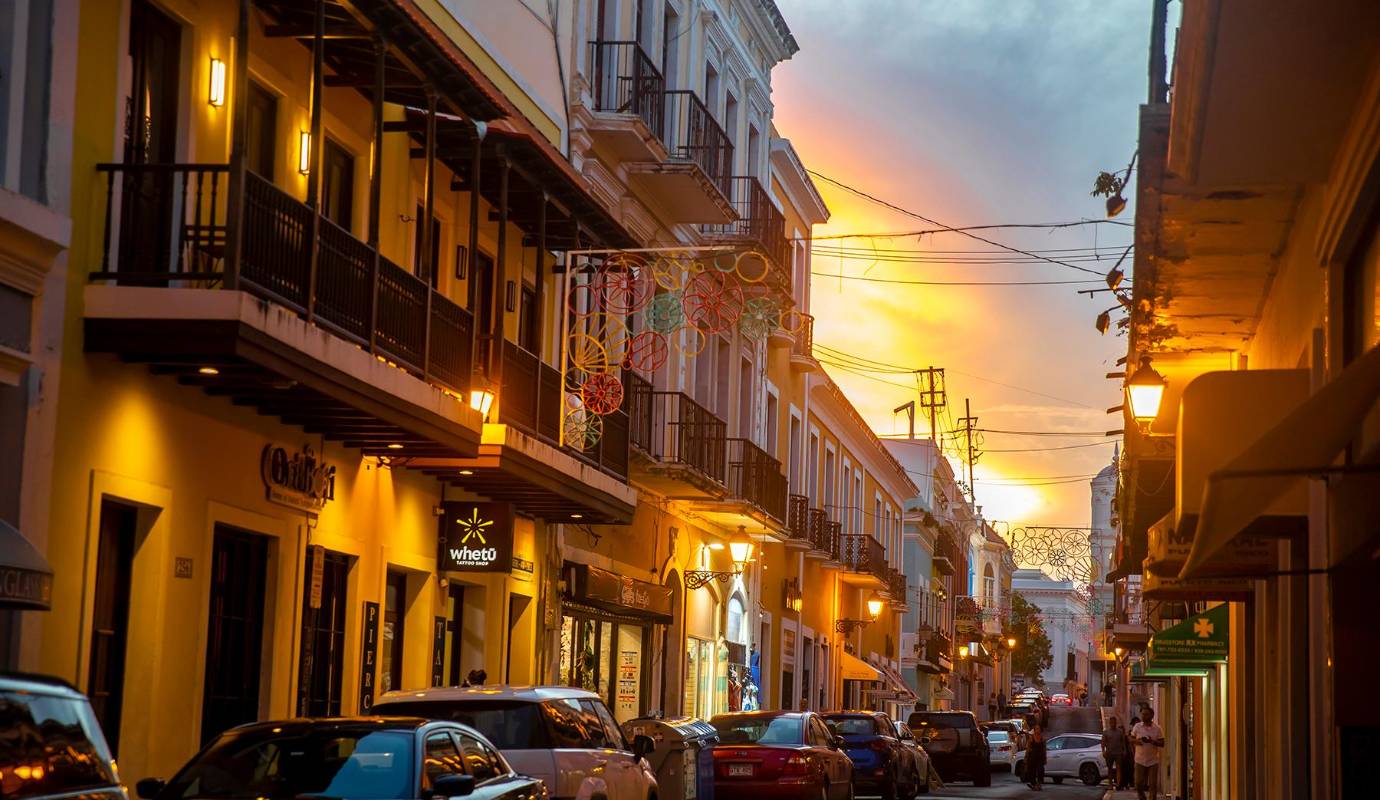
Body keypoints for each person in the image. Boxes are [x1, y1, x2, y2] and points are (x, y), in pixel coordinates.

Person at [1130, 706, 1165, 800]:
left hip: (1153, 760)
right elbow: (1130, 738)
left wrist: (1152, 741)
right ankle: (1142, 797)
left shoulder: (1157, 728)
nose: (1144, 716)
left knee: (1153, 785)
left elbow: (1162, 743)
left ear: (1151, 716)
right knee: (1138, 783)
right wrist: (1138, 741)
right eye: (1143, 714)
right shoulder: (1137, 726)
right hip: (1139, 760)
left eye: (1146, 714)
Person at [1101, 716, 1128, 788]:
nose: (1113, 723)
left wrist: (1124, 750)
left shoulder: (1120, 731)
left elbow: (1123, 742)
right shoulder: (1106, 732)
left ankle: (1118, 784)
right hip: (1109, 752)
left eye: (1114, 722)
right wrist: (1103, 751)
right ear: (1109, 723)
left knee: (1119, 768)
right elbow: (1103, 743)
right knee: (1110, 769)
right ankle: (1110, 784)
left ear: (1116, 723)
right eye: (1111, 722)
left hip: (1118, 752)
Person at [1025, 721, 1047, 790]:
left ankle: (1039, 783)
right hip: (1032, 757)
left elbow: (1044, 749)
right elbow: (1028, 748)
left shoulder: (1042, 739)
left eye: (1039, 728)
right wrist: (1026, 757)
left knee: (1040, 770)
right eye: (1036, 729)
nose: (1038, 730)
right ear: (1034, 730)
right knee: (1032, 771)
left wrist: (1045, 758)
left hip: (1040, 757)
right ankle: (1033, 784)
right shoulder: (1031, 738)